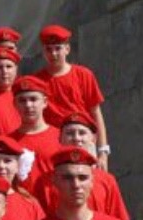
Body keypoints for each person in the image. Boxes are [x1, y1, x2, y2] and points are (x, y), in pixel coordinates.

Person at [31, 26, 109, 163]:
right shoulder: (36, 81)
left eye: (58, 48)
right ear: (43, 52)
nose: (53, 54)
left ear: (67, 49)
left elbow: (96, 113)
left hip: (82, 140)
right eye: (49, 49)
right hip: (53, 144)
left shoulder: (84, 75)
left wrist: (103, 151)